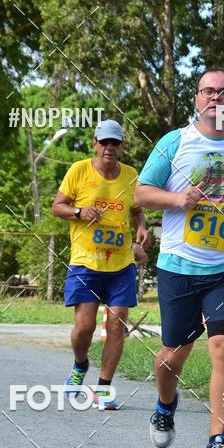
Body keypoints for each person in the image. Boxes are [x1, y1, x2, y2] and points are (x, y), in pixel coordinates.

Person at [135, 68, 224, 448]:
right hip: (180, 265)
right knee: (171, 356)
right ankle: (165, 403)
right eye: (208, 91)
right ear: (196, 98)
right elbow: (141, 193)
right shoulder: (175, 142)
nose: (216, 98)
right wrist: (179, 200)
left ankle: (219, 441)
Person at [51, 119, 150, 409]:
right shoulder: (79, 171)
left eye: (114, 142)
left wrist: (141, 227)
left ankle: (103, 390)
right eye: (104, 142)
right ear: (95, 143)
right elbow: (57, 207)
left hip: (120, 264)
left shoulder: (131, 176)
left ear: (122, 146)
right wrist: (80, 211)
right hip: (85, 262)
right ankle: (80, 364)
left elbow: (136, 210)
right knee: (84, 326)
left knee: (116, 323)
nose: (109, 147)